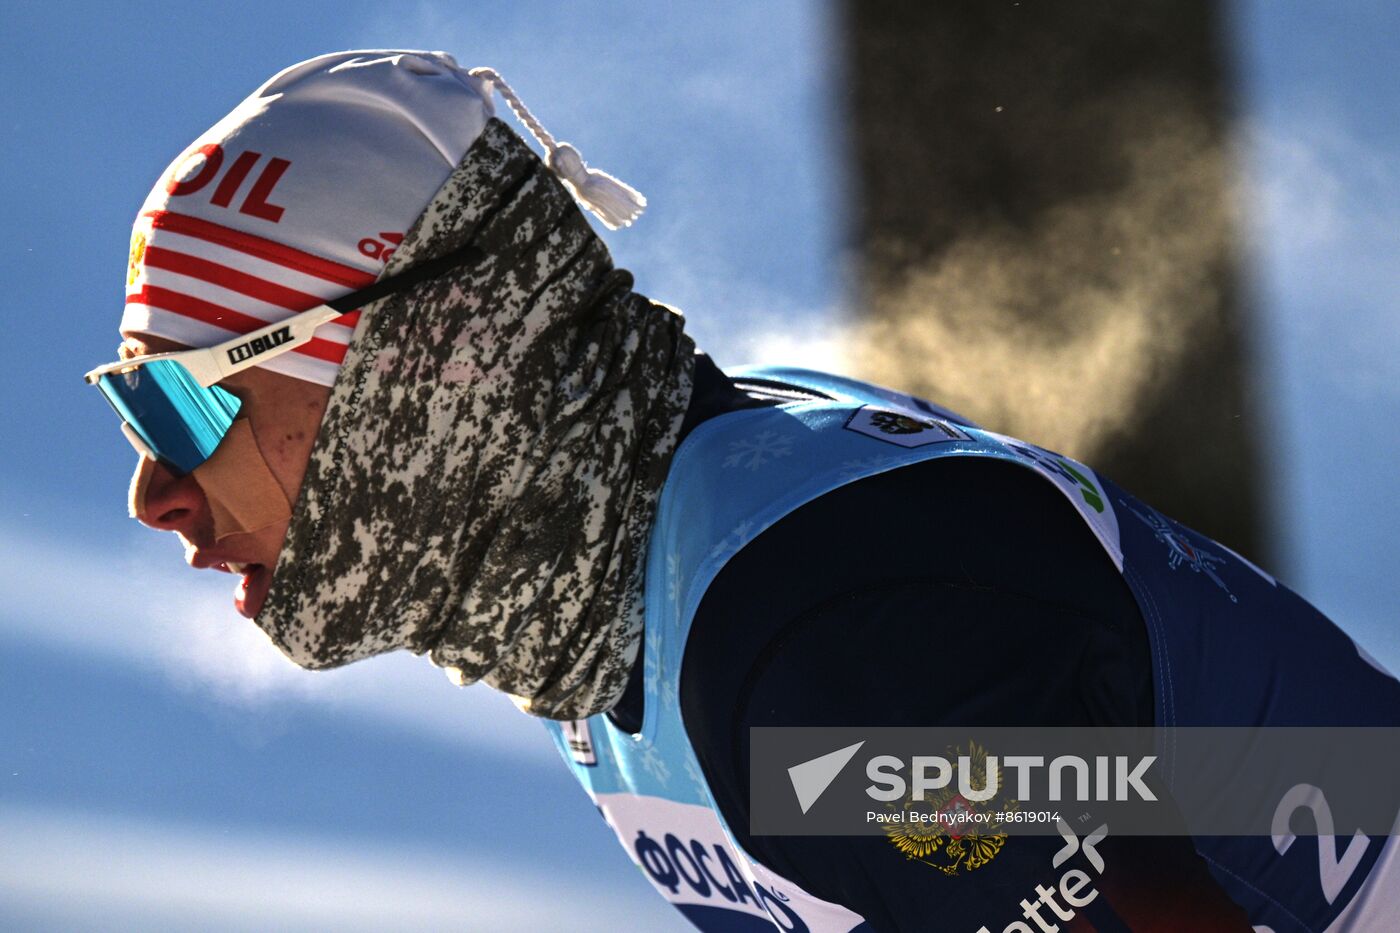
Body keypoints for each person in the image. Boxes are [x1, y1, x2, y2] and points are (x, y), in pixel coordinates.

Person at [87, 50, 1400, 932]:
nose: (154, 491)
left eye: (183, 404)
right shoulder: (635, 576)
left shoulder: (808, 643)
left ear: (425, 371)